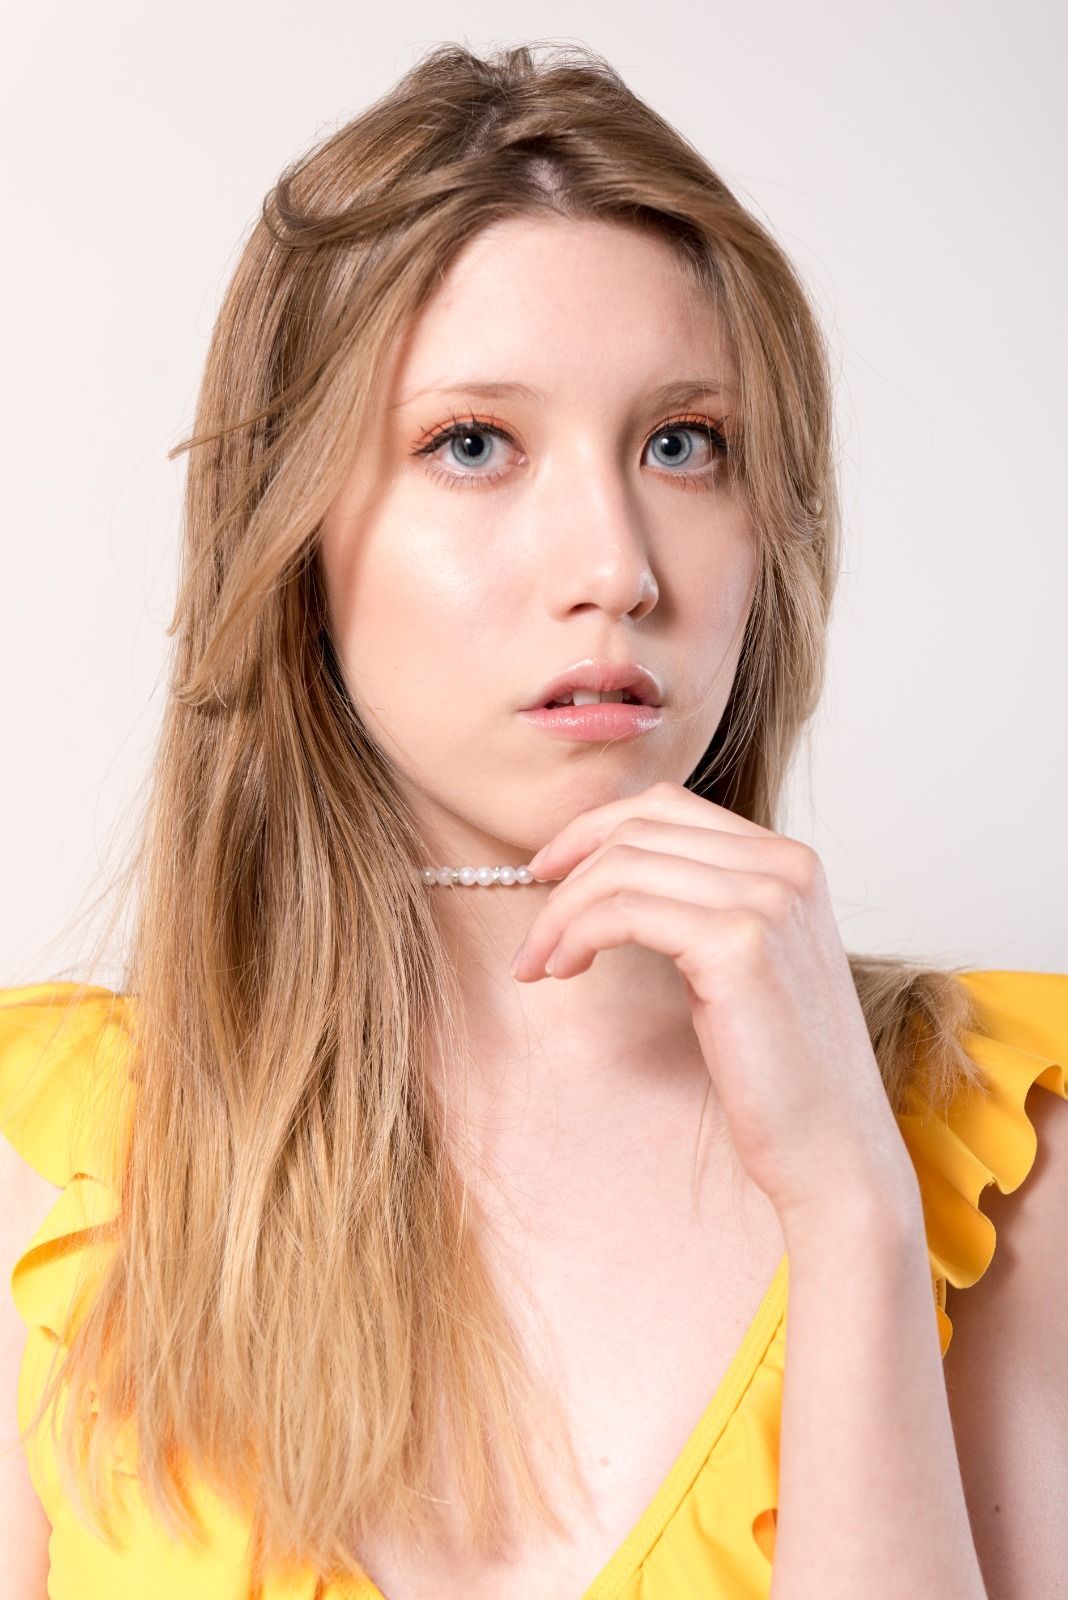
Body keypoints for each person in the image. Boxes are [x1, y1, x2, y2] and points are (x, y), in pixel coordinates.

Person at [1, 39, 1066, 1600]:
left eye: (683, 444)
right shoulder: (52, 1170)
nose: (618, 564)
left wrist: (852, 1208)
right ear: (289, 534)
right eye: (475, 445)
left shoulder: (999, 1148)